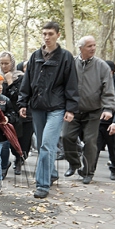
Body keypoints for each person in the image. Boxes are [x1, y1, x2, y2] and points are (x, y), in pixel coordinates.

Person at [17, 21, 78, 198]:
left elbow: (72, 84)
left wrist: (71, 108)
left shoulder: (66, 57)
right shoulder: (35, 56)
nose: (47, 37)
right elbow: (26, 82)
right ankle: (51, 173)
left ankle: (42, 184)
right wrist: (23, 103)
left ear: (58, 35)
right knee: (45, 144)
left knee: (46, 145)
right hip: (37, 107)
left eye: (50, 33)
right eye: (44, 33)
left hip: (57, 108)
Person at [62, 35, 115, 185]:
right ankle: (74, 164)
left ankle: (88, 172)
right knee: (66, 137)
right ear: (81, 48)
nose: (93, 48)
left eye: (94, 45)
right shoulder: (70, 63)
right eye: (89, 46)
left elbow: (108, 89)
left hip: (93, 111)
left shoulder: (102, 66)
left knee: (90, 142)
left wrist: (108, 108)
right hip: (72, 110)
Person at [0, 51, 27, 175]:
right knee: (4, 140)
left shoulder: (20, 77)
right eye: (2, 63)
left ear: (12, 63)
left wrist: (10, 82)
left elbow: (18, 96)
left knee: (18, 139)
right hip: (3, 113)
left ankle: (19, 160)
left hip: (17, 112)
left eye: (7, 63)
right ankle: (4, 164)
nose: (4, 66)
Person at [97, 60, 115, 180]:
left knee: (113, 147)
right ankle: (88, 170)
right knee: (94, 147)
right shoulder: (97, 83)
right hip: (97, 121)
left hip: (112, 122)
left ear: (111, 71)